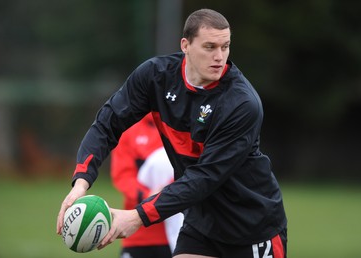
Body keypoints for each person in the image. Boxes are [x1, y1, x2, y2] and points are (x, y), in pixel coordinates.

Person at [57, 8, 287, 258]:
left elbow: (204, 177)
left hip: (252, 228)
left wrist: (137, 217)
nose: (219, 56)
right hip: (201, 225)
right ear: (185, 45)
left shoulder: (241, 104)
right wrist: (81, 183)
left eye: (225, 46)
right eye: (210, 47)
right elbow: (107, 123)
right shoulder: (156, 77)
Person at [110, 113, 179, 258]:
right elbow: (123, 176)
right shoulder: (129, 130)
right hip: (139, 233)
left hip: (180, 233)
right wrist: (148, 196)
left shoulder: (185, 126)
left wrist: (170, 195)